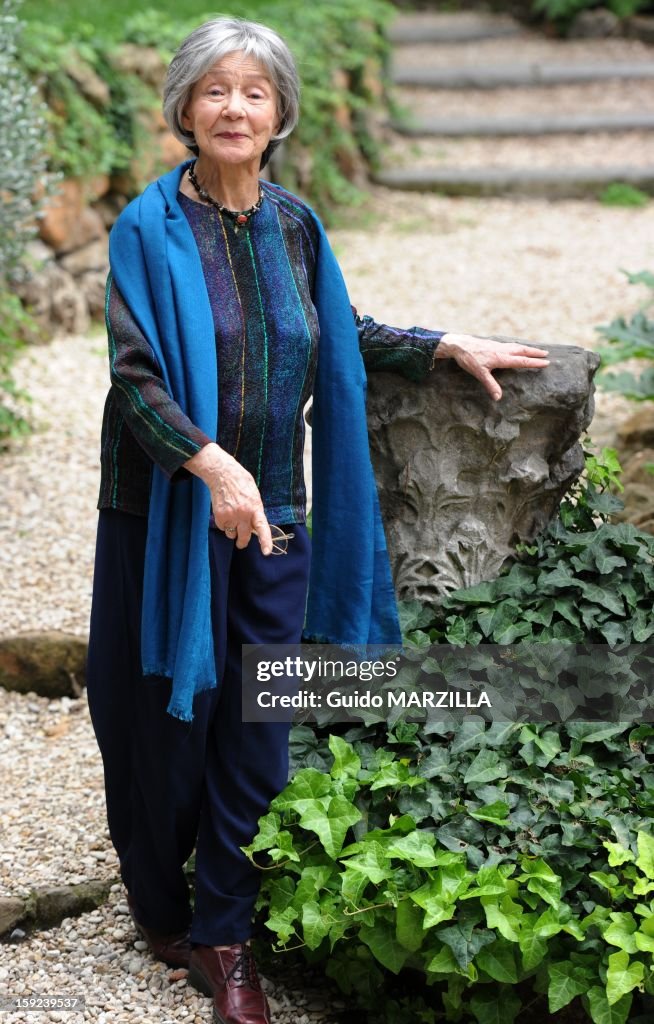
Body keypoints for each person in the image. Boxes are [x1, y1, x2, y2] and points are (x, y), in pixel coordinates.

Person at [85, 16, 549, 1024]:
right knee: (165, 717)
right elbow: (134, 375)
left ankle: (225, 937)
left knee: (259, 724)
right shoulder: (145, 226)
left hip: (276, 516)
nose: (235, 108)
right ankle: (159, 904)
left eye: (254, 91)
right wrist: (210, 465)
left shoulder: (295, 225)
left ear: (282, 111)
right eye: (215, 91)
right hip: (163, 510)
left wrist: (436, 342)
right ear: (184, 109)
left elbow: (330, 326)